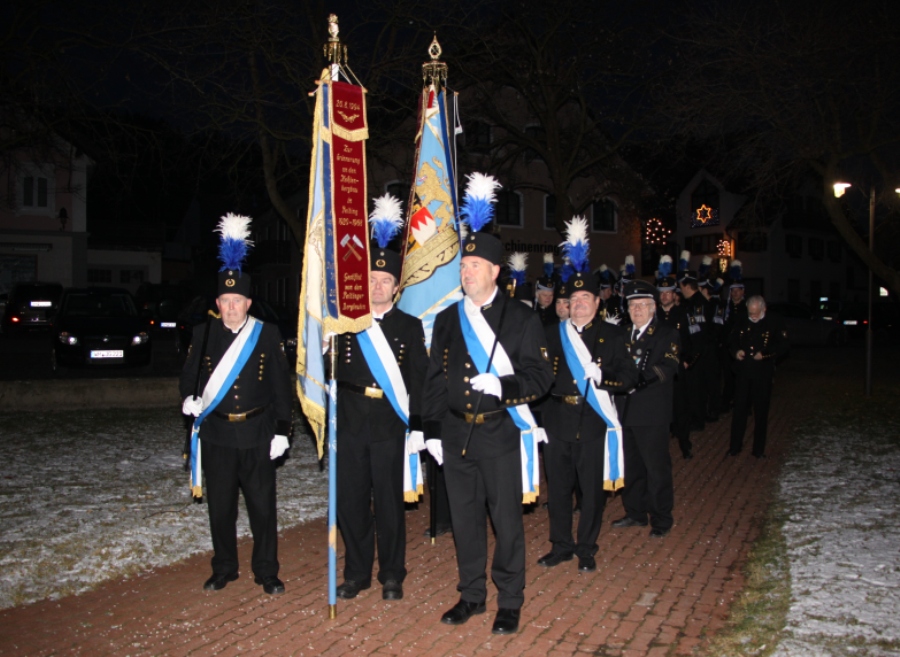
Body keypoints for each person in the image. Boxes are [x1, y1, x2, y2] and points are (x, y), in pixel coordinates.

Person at [422, 188, 553, 635]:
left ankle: (510, 599)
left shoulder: (520, 318)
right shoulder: (446, 319)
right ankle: (472, 595)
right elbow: (435, 379)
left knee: (506, 521)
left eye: (474, 265)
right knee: (464, 520)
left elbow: (541, 378)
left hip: (499, 435)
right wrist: (433, 432)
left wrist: (503, 385)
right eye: (463, 265)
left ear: (495, 271)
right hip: (457, 436)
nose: (466, 271)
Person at [180, 213, 292, 595]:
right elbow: (188, 377)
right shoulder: (203, 333)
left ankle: (267, 571)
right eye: (225, 301)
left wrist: (282, 430)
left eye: (238, 301)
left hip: (258, 433)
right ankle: (224, 567)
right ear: (218, 302)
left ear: (248, 302)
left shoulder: (267, 334)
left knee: (263, 509)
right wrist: (188, 400)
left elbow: (281, 386)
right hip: (218, 435)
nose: (231, 307)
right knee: (220, 508)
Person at [333, 201, 428, 601]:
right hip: (351, 422)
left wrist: (419, 427)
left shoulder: (410, 325)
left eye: (384, 280)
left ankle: (392, 573)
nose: (377, 286)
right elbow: (328, 372)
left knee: (389, 505)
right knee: (352, 503)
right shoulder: (344, 322)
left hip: (391, 425)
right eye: (371, 279)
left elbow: (420, 381)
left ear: (396, 287)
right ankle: (356, 573)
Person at [539, 234, 637, 572]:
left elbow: (629, 378)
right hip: (556, 420)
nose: (578, 303)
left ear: (597, 302)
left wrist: (603, 375)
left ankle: (586, 548)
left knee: (592, 492)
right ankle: (561, 545)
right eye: (574, 298)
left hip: (593, 421)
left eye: (585, 297)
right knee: (559, 490)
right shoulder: (553, 333)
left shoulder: (612, 336)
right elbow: (537, 375)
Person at [612, 279, 680, 537]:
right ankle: (635, 513)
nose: (637, 310)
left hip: (651, 412)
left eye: (642, 305)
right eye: (632, 305)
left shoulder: (666, 334)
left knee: (656, 468)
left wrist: (636, 379)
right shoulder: (620, 334)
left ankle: (661, 518)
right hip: (624, 411)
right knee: (631, 467)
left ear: (654, 308)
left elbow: (668, 366)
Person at [728, 295, 789, 458]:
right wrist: (736, 351)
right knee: (739, 410)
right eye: (751, 313)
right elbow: (732, 339)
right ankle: (735, 446)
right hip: (743, 372)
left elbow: (783, 345)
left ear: (764, 310)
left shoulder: (774, 321)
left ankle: (758, 450)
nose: (753, 316)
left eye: (756, 313)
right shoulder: (741, 319)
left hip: (762, 373)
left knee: (761, 412)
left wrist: (766, 354)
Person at [654, 258, 693, 459]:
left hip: (678, 369)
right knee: (661, 410)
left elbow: (691, 341)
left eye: (668, 292)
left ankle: (685, 444)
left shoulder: (682, 314)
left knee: (681, 408)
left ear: (674, 294)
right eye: (662, 293)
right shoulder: (654, 316)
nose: (665, 296)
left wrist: (687, 360)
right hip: (659, 370)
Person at [678, 262, 715, 430]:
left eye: (680, 286)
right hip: (696, 352)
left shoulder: (698, 304)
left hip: (699, 354)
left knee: (696, 389)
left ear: (686, 286)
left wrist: (693, 358)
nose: (680, 290)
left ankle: (698, 420)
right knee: (691, 389)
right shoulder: (692, 303)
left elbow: (700, 334)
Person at [721, 261, 748, 411]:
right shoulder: (726, 308)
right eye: (733, 291)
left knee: (742, 378)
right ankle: (726, 402)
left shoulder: (746, 308)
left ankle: (743, 404)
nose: (735, 293)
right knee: (728, 377)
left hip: (741, 347)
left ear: (743, 292)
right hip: (728, 347)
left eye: (738, 290)